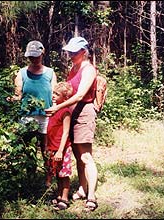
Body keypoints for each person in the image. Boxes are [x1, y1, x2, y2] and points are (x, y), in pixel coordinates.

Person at [45, 36, 98, 211]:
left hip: (83, 112)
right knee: (76, 155)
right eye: (69, 52)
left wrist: (58, 107)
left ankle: (91, 197)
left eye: (74, 52)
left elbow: (80, 95)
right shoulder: (73, 68)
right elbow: (67, 91)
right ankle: (82, 189)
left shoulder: (88, 69)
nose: (71, 55)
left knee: (86, 156)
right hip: (71, 112)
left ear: (83, 52)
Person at [7, 40, 57, 180]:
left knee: (46, 148)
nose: (34, 59)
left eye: (37, 56)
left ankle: (48, 179)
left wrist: (55, 109)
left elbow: (55, 95)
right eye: (31, 57)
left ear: (42, 53)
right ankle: (31, 178)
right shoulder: (22, 73)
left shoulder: (50, 73)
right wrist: (8, 100)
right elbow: (18, 95)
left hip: (46, 115)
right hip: (27, 116)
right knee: (29, 148)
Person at [46, 82, 73, 210]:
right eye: (53, 93)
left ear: (65, 98)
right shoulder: (53, 109)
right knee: (56, 172)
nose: (54, 96)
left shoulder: (65, 111)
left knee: (64, 173)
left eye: (57, 94)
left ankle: (65, 198)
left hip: (62, 149)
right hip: (52, 147)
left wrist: (60, 151)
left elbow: (66, 132)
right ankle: (59, 195)